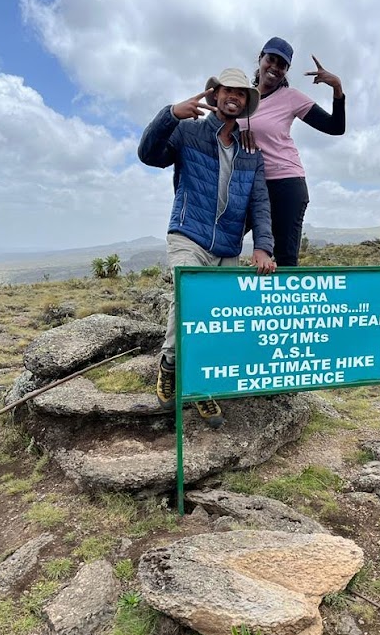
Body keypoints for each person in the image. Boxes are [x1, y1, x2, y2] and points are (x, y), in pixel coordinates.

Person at [137, 68, 276, 429]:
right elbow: (148, 155)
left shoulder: (251, 151)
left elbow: (260, 202)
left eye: (242, 93)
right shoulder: (187, 131)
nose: (234, 97)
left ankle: (201, 385)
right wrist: (168, 115)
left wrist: (263, 246)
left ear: (246, 103)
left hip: (228, 244)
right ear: (214, 95)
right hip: (188, 233)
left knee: (217, 318)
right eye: (228, 90)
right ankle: (170, 363)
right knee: (189, 297)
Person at [239, 36, 346, 266]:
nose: (275, 67)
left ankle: (282, 302)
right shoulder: (243, 98)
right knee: (228, 240)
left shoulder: (290, 97)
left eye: (282, 64)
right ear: (261, 58)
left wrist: (337, 87)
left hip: (285, 184)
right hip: (249, 183)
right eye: (272, 59)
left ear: (287, 70)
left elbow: (335, 127)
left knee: (285, 258)